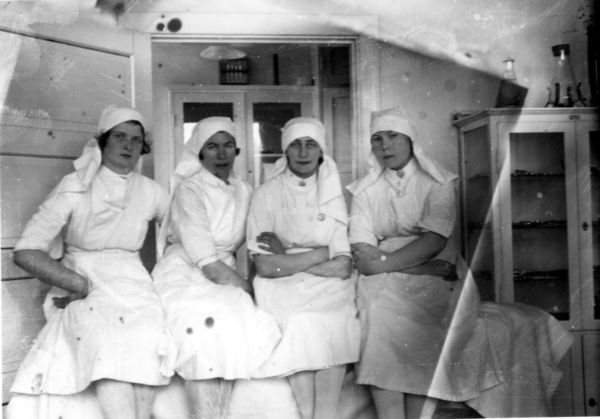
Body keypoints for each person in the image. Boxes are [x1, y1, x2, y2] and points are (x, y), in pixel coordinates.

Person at [8, 105, 174, 419]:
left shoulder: (152, 192)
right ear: (103, 141)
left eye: (136, 140)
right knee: (105, 344)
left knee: (151, 338)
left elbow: (183, 234)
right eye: (120, 136)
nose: (128, 145)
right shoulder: (75, 184)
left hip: (134, 282)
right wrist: (75, 282)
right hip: (84, 277)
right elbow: (26, 251)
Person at [347, 107, 503, 419]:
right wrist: (412, 267)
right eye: (377, 139)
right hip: (392, 265)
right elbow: (362, 247)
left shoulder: (438, 183)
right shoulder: (364, 190)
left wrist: (396, 265)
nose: (385, 146)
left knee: (420, 325)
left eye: (393, 136)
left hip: (436, 264)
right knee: (376, 313)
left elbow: (433, 241)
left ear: (410, 140)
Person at [151, 116, 281, 419]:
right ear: (199, 152)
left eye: (228, 145)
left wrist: (276, 243)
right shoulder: (190, 190)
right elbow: (208, 262)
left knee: (233, 325)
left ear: (237, 150)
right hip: (186, 272)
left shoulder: (244, 189)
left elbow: (257, 235)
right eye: (212, 146)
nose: (221, 154)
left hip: (224, 273)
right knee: (204, 331)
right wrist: (248, 288)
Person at [246, 117, 361, 419]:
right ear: (285, 150)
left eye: (311, 144)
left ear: (321, 151)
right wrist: (321, 254)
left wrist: (287, 257)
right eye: (296, 144)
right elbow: (266, 266)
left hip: (327, 283)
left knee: (334, 319)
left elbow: (343, 267)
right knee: (301, 320)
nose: (303, 152)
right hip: (279, 285)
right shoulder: (265, 195)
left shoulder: (333, 195)